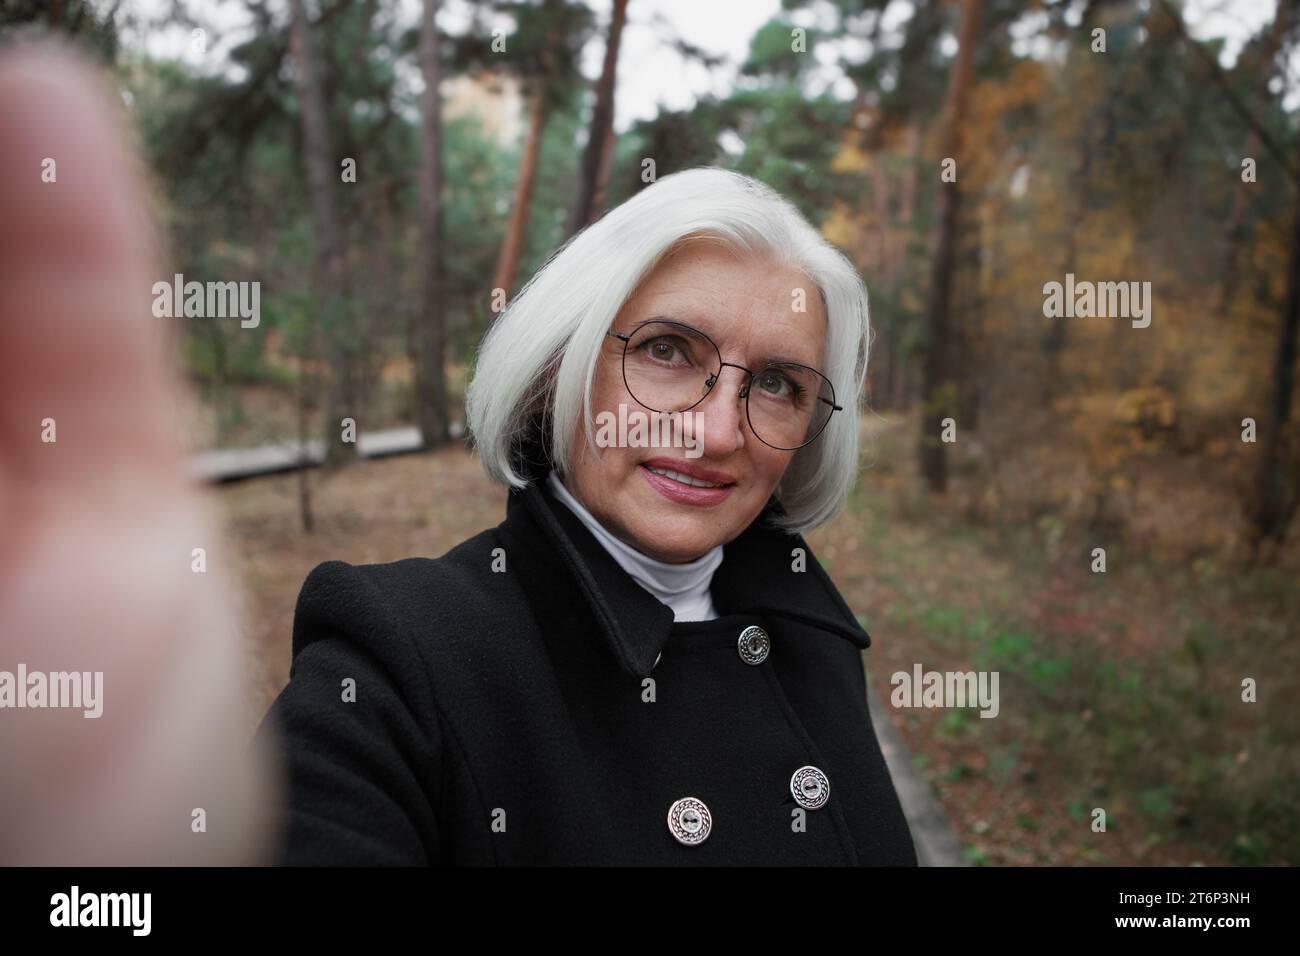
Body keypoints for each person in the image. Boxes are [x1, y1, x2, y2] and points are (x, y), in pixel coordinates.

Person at [254, 167, 918, 865]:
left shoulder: (815, 639)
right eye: (667, 351)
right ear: (557, 364)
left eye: (778, 383)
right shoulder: (399, 659)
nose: (718, 433)